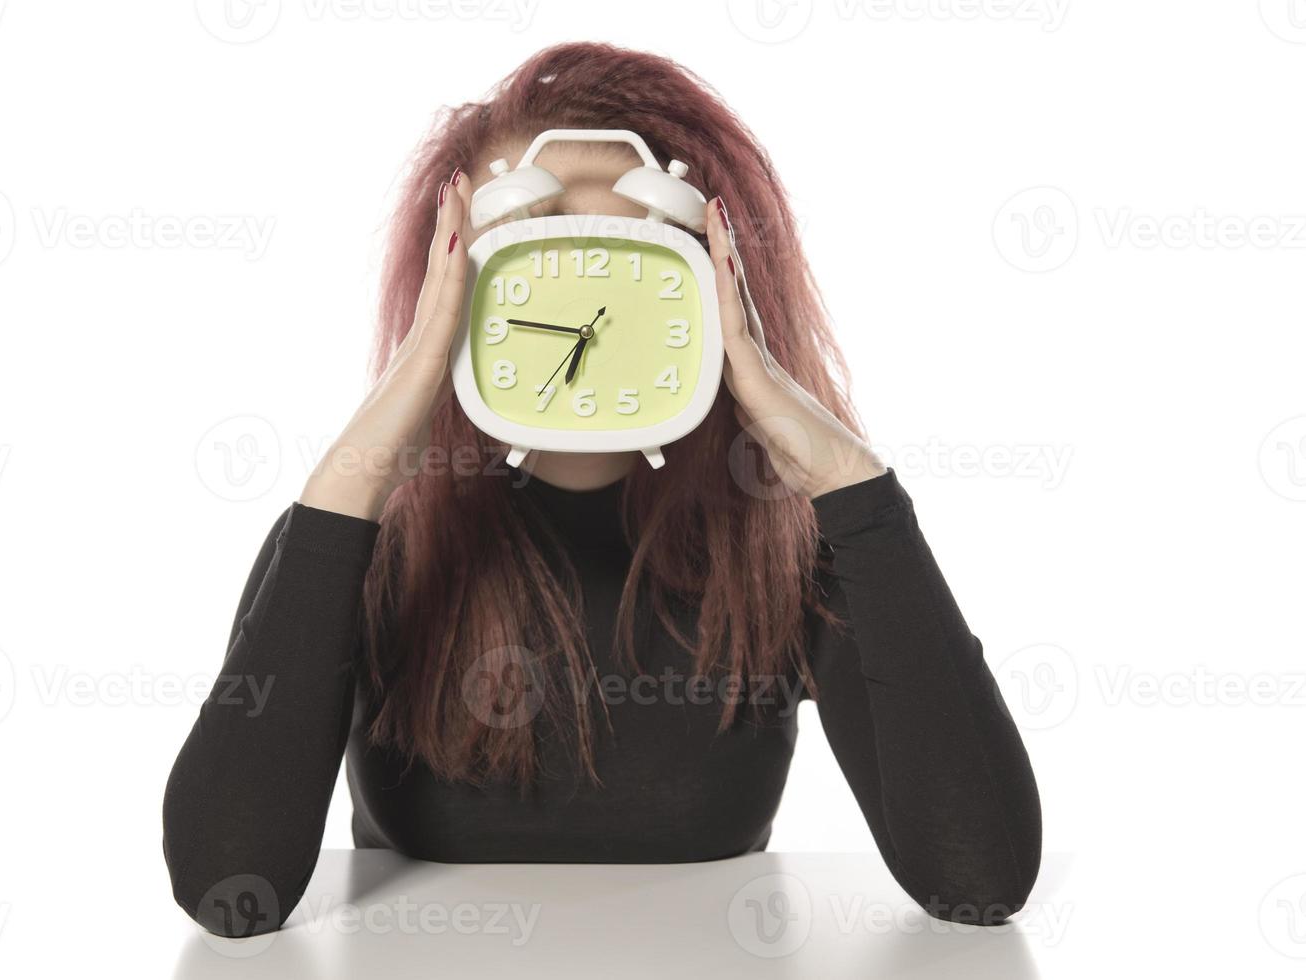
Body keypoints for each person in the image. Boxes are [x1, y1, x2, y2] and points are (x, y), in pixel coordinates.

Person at [163, 42, 1042, 937]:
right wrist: (359, 468)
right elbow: (230, 889)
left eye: (632, 263)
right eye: (531, 261)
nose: (589, 319)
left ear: (712, 284)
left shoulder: (793, 556)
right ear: (450, 289)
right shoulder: (365, 545)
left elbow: (980, 877)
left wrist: (846, 477)